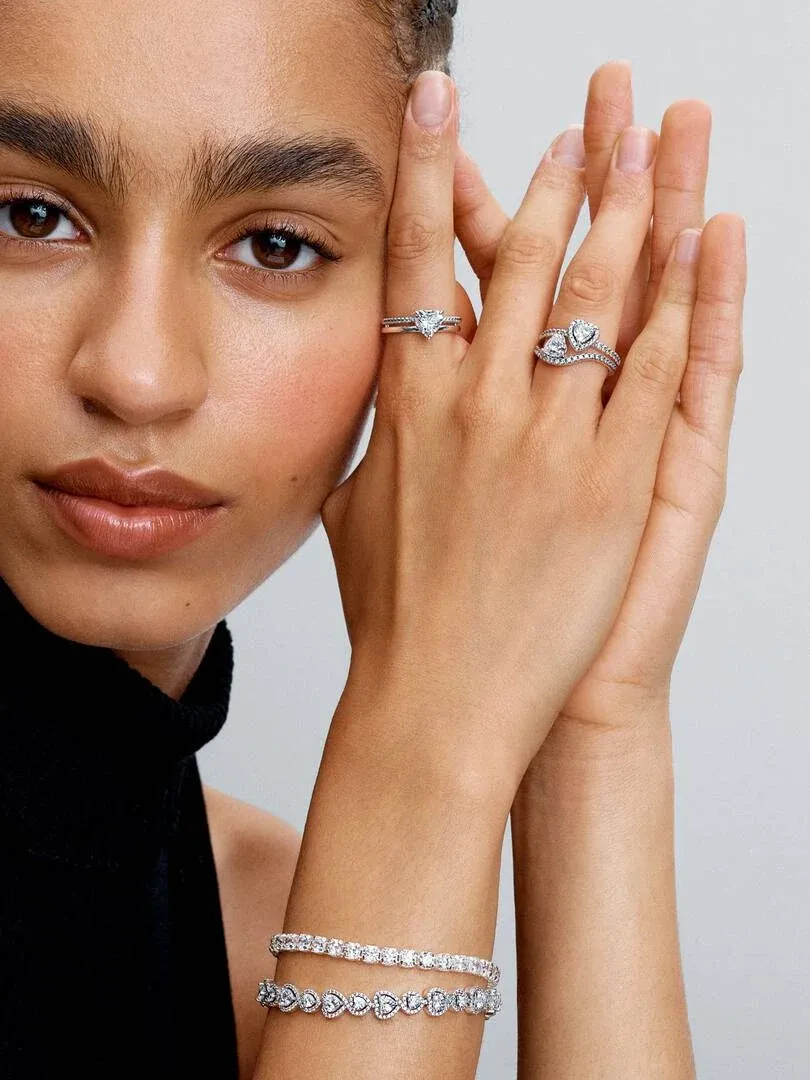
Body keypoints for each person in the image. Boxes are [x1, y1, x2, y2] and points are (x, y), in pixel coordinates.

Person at [0, 0, 747, 1076]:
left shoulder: (266, 913)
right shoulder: (356, 904)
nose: (137, 374)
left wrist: (589, 724)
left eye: (275, 244)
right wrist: (429, 735)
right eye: (30, 218)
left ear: (415, 293)